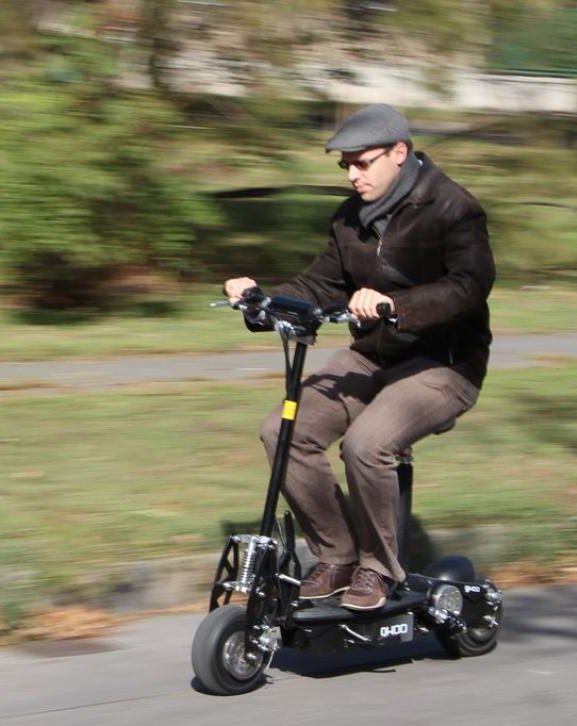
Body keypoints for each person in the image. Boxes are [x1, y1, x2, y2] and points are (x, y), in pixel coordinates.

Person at [223, 103, 494, 610]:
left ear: (399, 153)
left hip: (445, 364)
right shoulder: (351, 219)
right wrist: (260, 300)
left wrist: (396, 305)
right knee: (283, 430)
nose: (352, 175)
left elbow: (468, 287)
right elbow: (318, 284)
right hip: (374, 356)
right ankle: (338, 555)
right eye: (345, 165)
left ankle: (379, 569)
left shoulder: (455, 208)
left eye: (362, 163)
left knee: (365, 445)